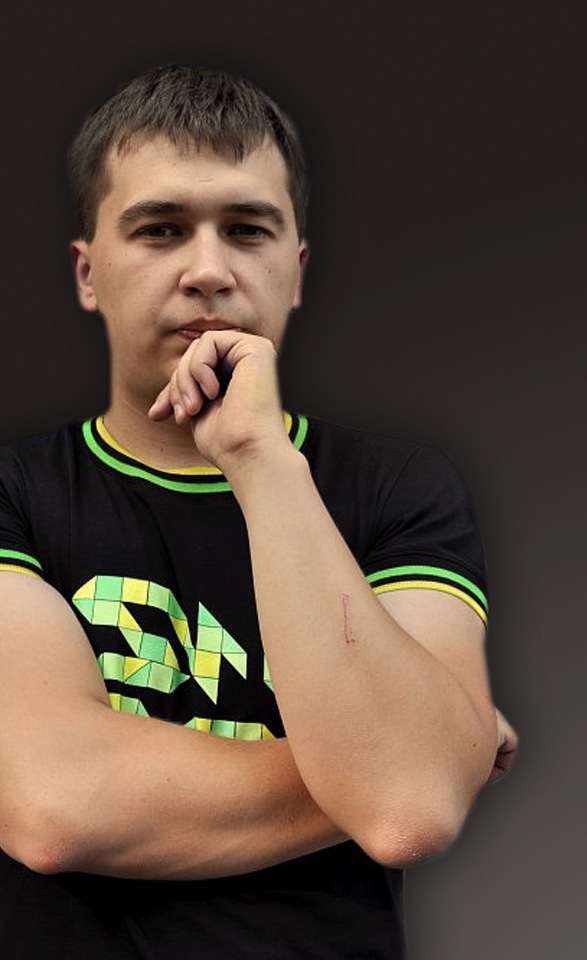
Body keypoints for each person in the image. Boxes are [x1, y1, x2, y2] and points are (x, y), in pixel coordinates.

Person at [0, 64, 516, 959]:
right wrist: (425, 754)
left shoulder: (398, 489)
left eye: (246, 229)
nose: (208, 271)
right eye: (160, 229)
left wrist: (257, 457)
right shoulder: (14, 494)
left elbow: (405, 812)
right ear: (88, 273)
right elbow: (51, 806)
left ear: (296, 269)